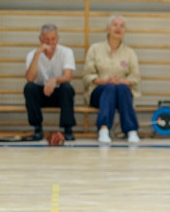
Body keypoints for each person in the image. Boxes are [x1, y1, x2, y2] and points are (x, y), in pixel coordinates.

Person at [83, 15, 141, 143]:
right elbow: (87, 76)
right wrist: (104, 80)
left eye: (122, 26)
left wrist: (121, 81)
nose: (118, 28)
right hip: (99, 92)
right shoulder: (95, 49)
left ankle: (131, 130)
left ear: (125, 31)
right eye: (115, 25)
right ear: (108, 29)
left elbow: (135, 77)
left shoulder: (129, 53)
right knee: (109, 88)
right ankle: (103, 129)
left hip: (122, 93)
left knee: (121, 88)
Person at [23, 23, 77, 141]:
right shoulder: (32, 54)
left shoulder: (66, 52)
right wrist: (38, 54)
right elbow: (30, 78)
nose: (50, 42)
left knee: (67, 87)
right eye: (47, 40)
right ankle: (37, 128)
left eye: (53, 39)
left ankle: (68, 128)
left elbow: (68, 77)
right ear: (40, 39)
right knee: (29, 87)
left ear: (57, 39)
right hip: (40, 93)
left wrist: (54, 80)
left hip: (59, 94)